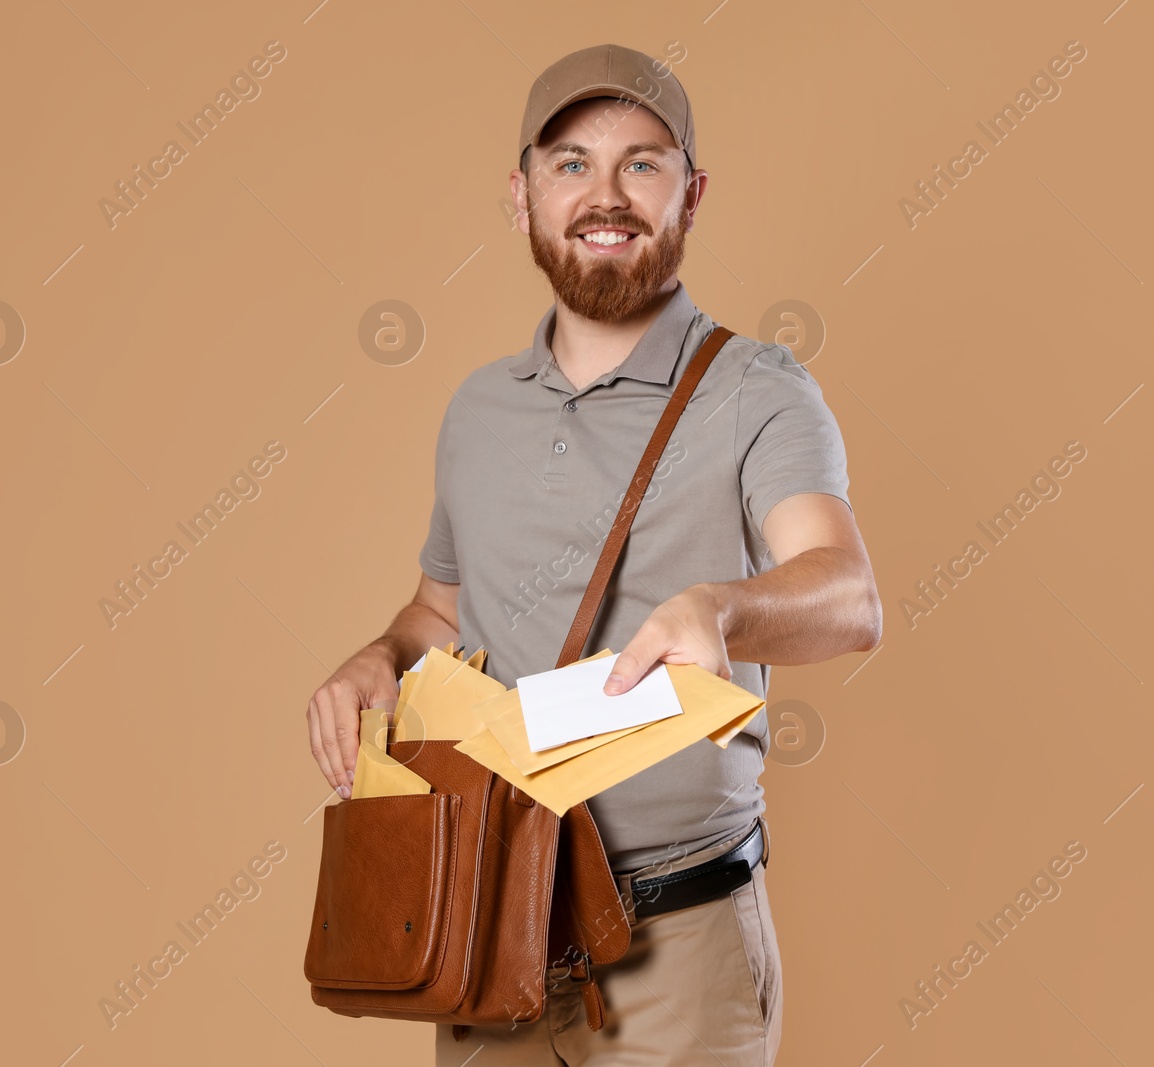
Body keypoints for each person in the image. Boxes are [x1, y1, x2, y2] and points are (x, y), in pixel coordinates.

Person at [305, 42, 881, 1066]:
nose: (603, 195)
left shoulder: (758, 389)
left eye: (640, 163)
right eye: (570, 163)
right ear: (521, 194)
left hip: (679, 940)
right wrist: (375, 659)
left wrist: (723, 610)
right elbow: (438, 612)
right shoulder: (478, 409)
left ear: (691, 194)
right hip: (485, 927)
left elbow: (847, 596)